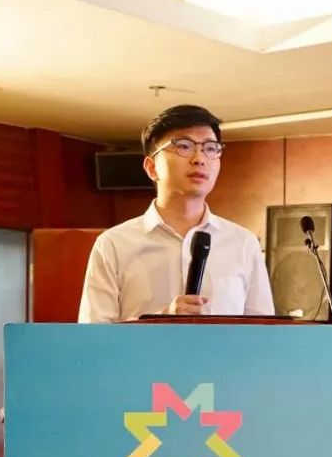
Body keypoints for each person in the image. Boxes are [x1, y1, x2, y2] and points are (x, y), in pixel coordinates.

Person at [77, 104, 274, 323]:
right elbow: (93, 334)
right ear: (152, 167)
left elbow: (264, 330)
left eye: (210, 148)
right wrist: (161, 320)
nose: (199, 159)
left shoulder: (243, 242)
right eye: (184, 146)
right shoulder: (113, 245)